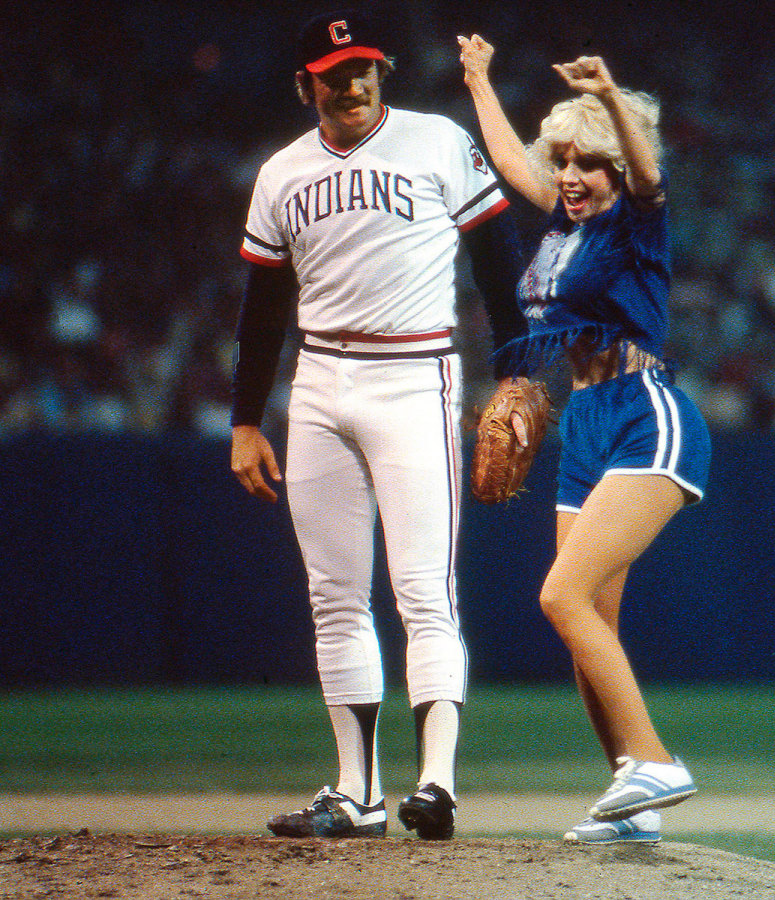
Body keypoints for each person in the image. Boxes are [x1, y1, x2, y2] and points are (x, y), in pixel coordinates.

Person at [230, 9, 530, 840]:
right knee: (334, 597)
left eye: (362, 69)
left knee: (424, 590)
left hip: (414, 374)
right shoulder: (281, 173)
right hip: (319, 382)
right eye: (334, 76)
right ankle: (356, 794)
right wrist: (245, 421)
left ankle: (437, 785)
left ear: (380, 72)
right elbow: (263, 307)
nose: (351, 85)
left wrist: (515, 370)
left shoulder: (437, 141)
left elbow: (498, 261)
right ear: (307, 86)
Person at [457, 35, 712, 845]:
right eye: (563, 159)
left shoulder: (636, 222)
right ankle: (633, 799)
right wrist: (478, 80)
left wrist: (607, 99)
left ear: (614, 168)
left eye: (587, 162)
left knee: (559, 596)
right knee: (586, 623)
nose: (570, 175)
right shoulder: (562, 225)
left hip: (646, 415)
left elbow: (649, 175)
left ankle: (657, 762)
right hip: (586, 424)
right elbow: (514, 166)